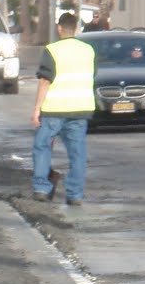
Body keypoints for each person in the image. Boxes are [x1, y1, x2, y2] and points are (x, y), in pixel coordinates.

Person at [31, 11, 97, 206]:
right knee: (77, 153)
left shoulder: (52, 50)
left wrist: (36, 109)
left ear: (59, 28)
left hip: (54, 109)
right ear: (76, 29)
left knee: (42, 147)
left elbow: (45, 81)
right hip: (80, 109)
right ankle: (75, 194)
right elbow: (92, 76)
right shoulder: (88, 50)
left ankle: (42, 188)